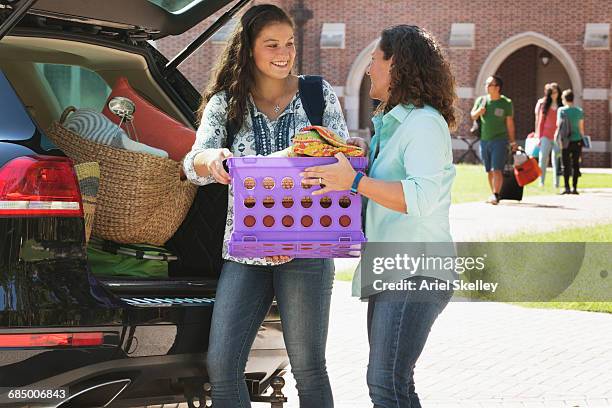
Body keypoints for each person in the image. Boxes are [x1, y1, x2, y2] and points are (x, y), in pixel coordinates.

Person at [182, 5, 354, 407]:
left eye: (290, 43)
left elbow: (343, 164)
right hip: (245, 252)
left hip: (307, 249)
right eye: (272, 44)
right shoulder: (226, 103)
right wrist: (214, 160)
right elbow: (193, 164)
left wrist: (326, 152)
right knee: (222, 367)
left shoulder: (317, 94)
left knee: (309, 368)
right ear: (248, 49)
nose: (284, 52)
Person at [300, 25, 457, 407]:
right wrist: (364, 156)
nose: (370, 69)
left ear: (397, 66)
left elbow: (419, 197)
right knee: (396, 383)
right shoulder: (395, 124)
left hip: (416, 268)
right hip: (395, 266)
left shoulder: (423, 124)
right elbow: (393, 179)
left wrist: (353, 180)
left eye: (375, 60)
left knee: (385, 381)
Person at [471, 75, 518, 205]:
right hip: (484, 140)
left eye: (489, 84)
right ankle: (493, 193)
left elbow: (509, 123)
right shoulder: (481, 100)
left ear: (497, 87)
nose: (486, 86)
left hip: (500, 140)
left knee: (497, 168)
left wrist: (513, 141)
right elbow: (472, 115)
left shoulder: (506, 103)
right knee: (489, 170)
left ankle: (496, 194)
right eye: (486, 84)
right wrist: (479, 112)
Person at [556, 89, 585, 194]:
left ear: (564, 99)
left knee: (566, 164)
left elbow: (558, 125)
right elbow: (581, 129)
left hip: (565, 141)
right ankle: (575, 188)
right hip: (577, 140)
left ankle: (567, 187)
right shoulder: (579, 111)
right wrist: (583, 139)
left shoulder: (561, 111)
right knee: (576, 164)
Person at [535, 82, 562, 187]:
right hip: (545, 135)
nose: (554, 95)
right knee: (543, 159)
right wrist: (539, 137)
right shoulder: (545, 105)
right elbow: (540, 122)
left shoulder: (561, 106)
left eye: (556, 92)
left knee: (557, 160)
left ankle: (557, 183)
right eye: (552, 93)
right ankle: (541, 181)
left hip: (558, 137)